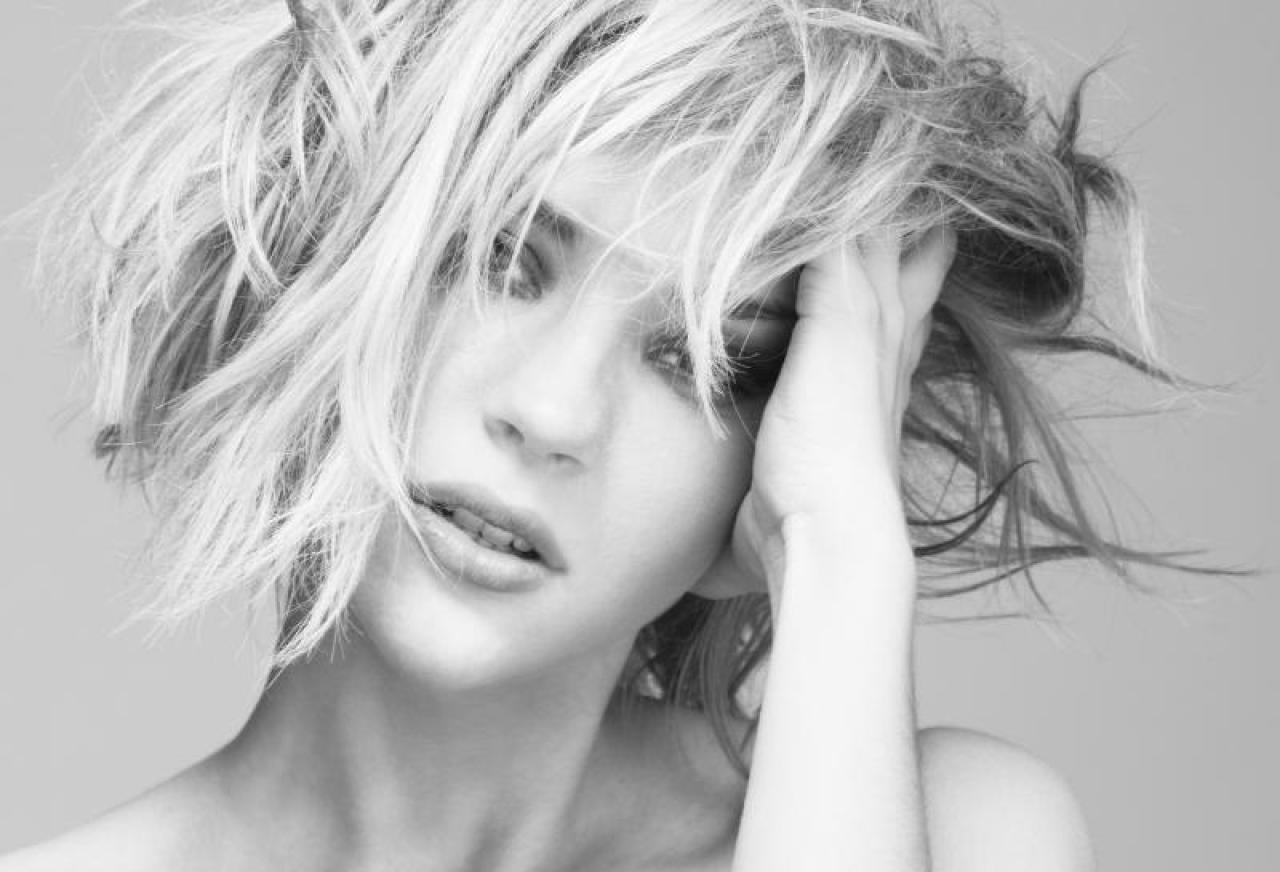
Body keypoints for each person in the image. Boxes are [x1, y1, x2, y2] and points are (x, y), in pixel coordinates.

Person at [0, 0, 1220, 869]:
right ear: (325, 264)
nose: (550, 414)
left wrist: (836, 549)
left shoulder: (963, 833)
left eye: (703, 360)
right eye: (500, 260)